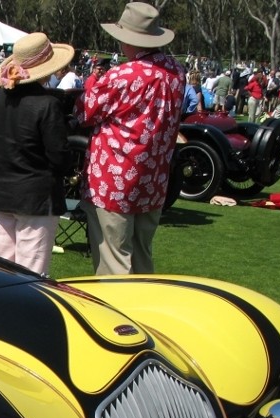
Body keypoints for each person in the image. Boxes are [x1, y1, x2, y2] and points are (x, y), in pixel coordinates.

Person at [74, 2, 185, 275]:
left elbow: (85, 111)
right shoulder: (176, 72)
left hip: (115, 180)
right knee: (142, 254)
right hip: (154, 179)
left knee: (114, 258)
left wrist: (91, 84)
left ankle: (115, 315)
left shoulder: (124, 75)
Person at [0, 32, 73, 274]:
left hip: (0, 192)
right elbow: (59, 156)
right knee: (31, 275)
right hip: (35, 197)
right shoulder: (47, 104)